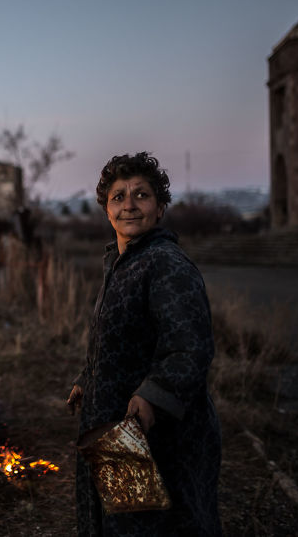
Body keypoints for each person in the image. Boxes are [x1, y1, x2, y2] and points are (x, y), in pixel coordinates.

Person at [66, 152, 222, 536]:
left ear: (160, 208)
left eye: (141, 195)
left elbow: (190, 345)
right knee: (121, 519)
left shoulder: (165, 263)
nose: (129, 205)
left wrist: (155, 395)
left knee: (156, 525)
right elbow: (113, 337)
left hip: (153, 432)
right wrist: (87, 377)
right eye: (118, 197)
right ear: (106, 209)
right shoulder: (121, 263)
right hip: (117, 429)